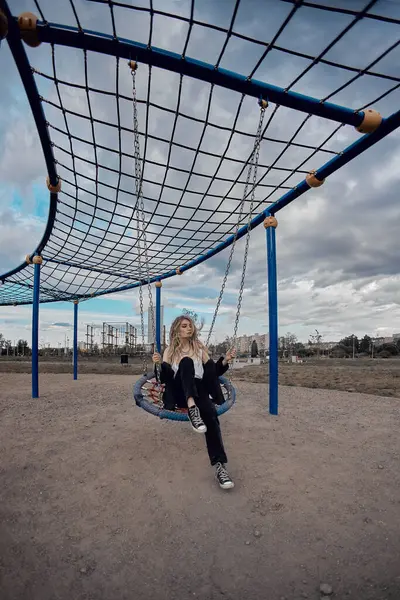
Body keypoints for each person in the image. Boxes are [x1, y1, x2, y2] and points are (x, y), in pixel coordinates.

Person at [152, 315, 236, 490]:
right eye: (184, 326)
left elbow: (212, 371)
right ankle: (192, 409)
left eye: (190, 326)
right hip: (178, 390)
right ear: (176, 329)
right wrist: (159, 365)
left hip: (199, 390)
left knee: (211, 417)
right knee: (186, 362)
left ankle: (220, 467)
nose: (188, 329)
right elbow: (165, 378)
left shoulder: (198, 348)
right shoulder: (170, 351)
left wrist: (225, 360)